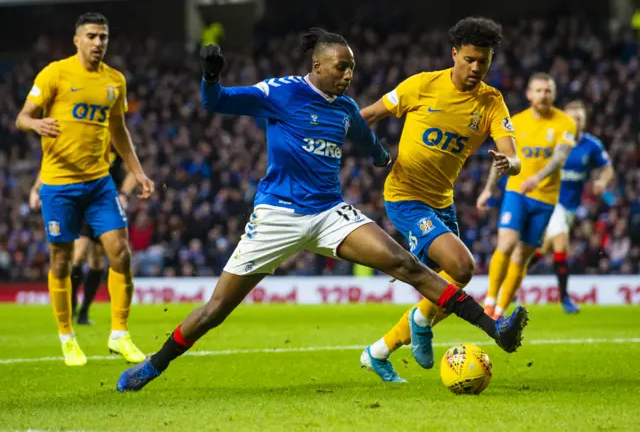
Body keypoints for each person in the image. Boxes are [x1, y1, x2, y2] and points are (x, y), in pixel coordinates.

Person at [117, 28, 528, 392]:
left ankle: (496, 329)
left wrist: (386, 158)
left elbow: (371, 145)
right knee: (215, 311)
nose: (349, 76)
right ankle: (155, 364)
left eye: (352, 69)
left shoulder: (346, 108)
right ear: (318, 65)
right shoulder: (279, 92)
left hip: (331, 213)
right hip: (277, 215)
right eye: (341, 68)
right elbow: (217, 102)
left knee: (407, 265)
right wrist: (210, 77)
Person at [358, 16, 522, 382]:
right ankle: (421, 321)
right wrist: (334, 141)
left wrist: (507, 163)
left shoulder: (492, 102)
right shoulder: (422, 85)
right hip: (405, 197)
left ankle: (381, 350)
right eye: (470, 59)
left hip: (441, 202)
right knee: (462, 267)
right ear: (454, 55)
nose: (477, 67)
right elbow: (367, 115)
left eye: (484, 60)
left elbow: (514, 156)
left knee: (452, 280)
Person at [15, 12, 154, 366]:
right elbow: (22, 117)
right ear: (77, 40)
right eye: (91, 36)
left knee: (120, 252)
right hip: (59, 184)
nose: (98, 43)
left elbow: (119, 131)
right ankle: (67, 336)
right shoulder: (55, 73)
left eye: (103, 37)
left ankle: (120, 335)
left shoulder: (114, 81)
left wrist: (137, 173)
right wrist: (37, 124)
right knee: (62, 259)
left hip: (98, 183)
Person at [478, 73, 576, 319]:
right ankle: (489, 301)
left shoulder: (566, 122)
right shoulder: (516, 122)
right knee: (507, 244)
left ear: (553, 94)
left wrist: (537, 178)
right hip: (517, 192)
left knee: (522, 256)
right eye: (539, 90)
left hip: (545, 198)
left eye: (548, 90)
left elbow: (560, 157)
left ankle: (500, 310)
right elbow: (502, 158)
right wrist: (489, 188)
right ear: (529, 94)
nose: (544, 94)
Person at [29, 151, 137, 325]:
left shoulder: (115, 142)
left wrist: (124, 194)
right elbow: (51, 161)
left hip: (104, 203)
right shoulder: (79, 137)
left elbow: (132, 169)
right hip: (81, 201)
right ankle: (71, 307)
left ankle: (84, 312)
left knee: (97, 262)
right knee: (78, 255)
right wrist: (36, 188)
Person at [535, 100, 613, 313]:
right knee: (561, 243)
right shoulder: (554, 141)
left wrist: (602, 182)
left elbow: (607, 168)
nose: (575, 122)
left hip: (570, 207)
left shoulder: (591, 145)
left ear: (585, 120)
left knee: (543, 248)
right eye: (571, 118)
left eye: (579, 118)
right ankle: (566, 299)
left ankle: (514, 274)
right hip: (550, 200)